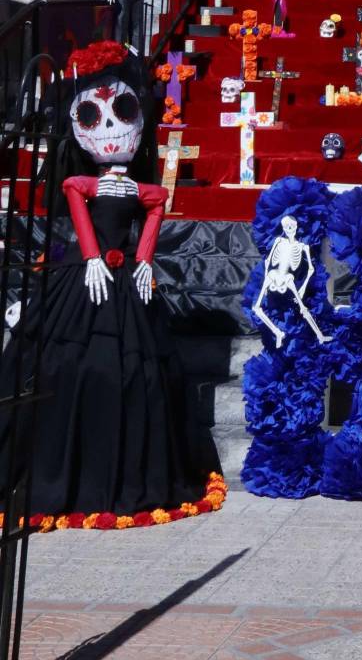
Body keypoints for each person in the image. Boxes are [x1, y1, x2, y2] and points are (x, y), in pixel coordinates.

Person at [0, 41, 224, 526]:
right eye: (92, 117)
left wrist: (144, 261)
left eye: (121, 111)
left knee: (135, 368)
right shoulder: (83, 184)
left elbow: (156, 208)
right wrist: (92, 258)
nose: (108, 130)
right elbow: (79, 209)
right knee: (67, 362)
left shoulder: (144, 189)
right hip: (90, 275)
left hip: (126, 279)